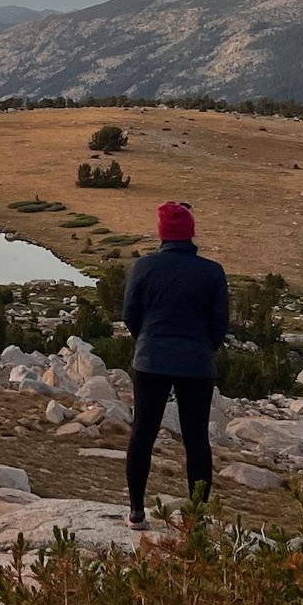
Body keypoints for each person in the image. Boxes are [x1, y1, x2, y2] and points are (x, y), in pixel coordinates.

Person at [120, 200, 229, 530]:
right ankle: (196, 517)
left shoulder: (144, 267)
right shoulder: (212, 272)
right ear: (190, 233)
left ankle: (137, 512)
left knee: (143, 434)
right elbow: (219, 324)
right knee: (196, 439)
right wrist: (202, 348)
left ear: (162, 233)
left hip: (150, 360)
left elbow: (130, 314)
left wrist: (147, 342)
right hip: (196, 363)